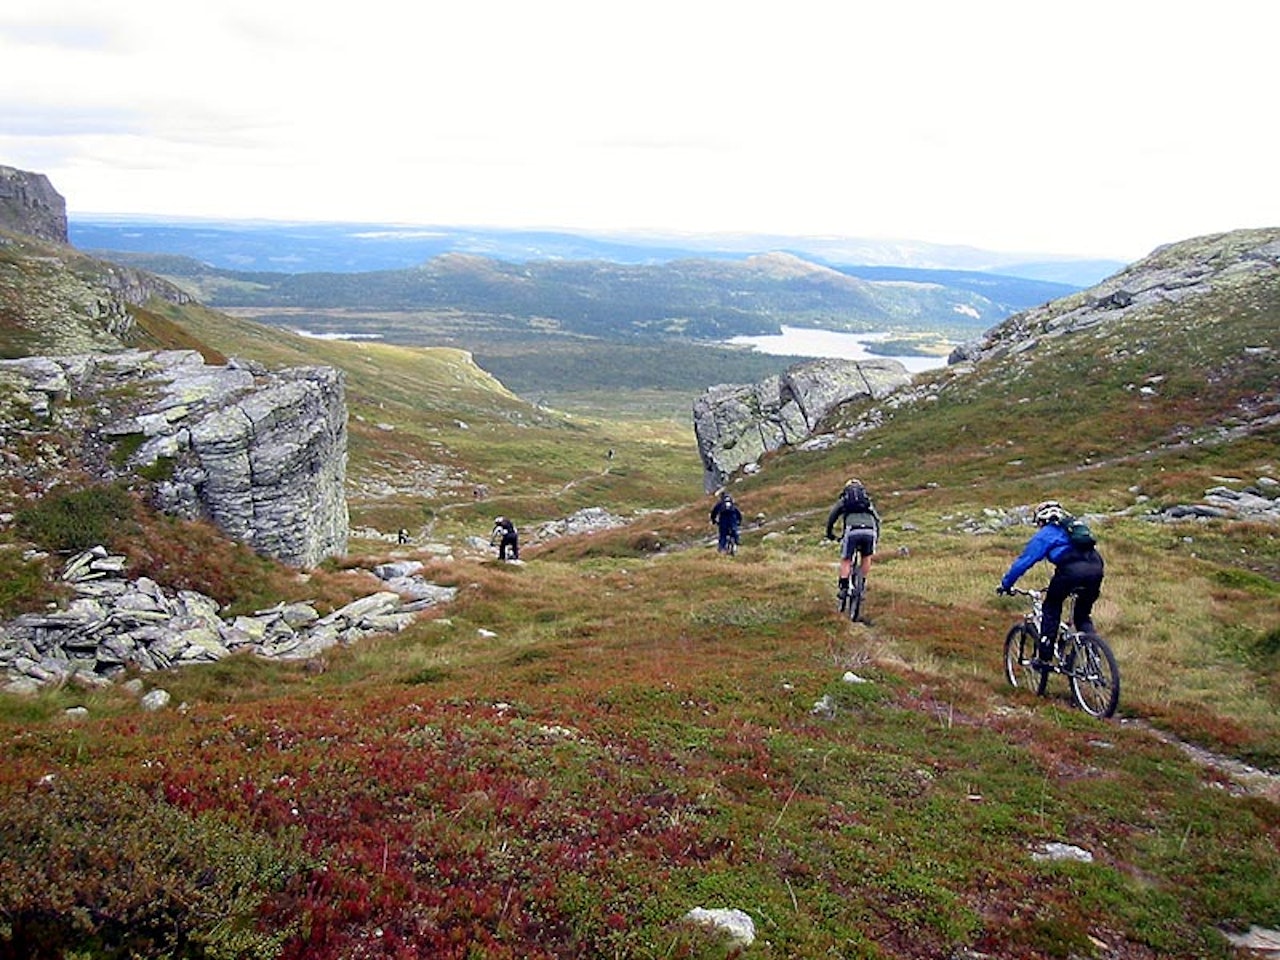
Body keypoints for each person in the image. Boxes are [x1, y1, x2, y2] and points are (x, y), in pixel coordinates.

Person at [997, 500, 1105, 661]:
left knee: (1051, 607)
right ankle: (1093, 656)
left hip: (1070, 572)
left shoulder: (1047, 533)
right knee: (1082, 616)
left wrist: (1006, 584)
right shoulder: (1074, 529)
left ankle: (1044, 658)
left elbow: (1024, 562)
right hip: (1096, 568)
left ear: (1042, 520)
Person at [825, 478, 881, 600]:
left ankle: (844, 588)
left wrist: (829, 533)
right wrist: (876, 537)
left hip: (852, 530)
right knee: (866, 557)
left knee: (847, 559)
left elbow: (832, 517)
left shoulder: (844, 501)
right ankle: (861, 584)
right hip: (870, 531)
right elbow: (877, 520)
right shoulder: (867, 502)